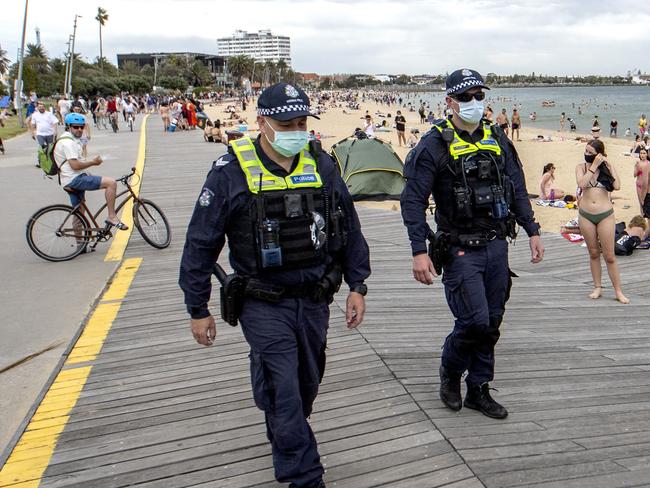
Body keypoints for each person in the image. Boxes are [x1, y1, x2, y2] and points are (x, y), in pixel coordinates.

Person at [179, 83, 370, 488]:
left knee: (306, 384)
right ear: (261, 122)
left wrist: (358, 284)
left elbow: (348, 225)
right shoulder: (229, 173)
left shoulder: (322, 164)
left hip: (316, 297)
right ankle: (305, 475)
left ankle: (279, 414)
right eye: (287, 123)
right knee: (285, 390)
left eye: (302, 122)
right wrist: (197, 308)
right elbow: (200, 244)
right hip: (263, 303)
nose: (296, 130)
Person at [400, 68, 544, 420]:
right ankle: (450, 372)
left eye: (479, 96)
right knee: (474, 321)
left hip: (497, 245)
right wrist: (419, 250)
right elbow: (413, 200)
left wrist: (532, 229)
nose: (474, 102)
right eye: (466, 97)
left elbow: (517, 186)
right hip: (460, 248)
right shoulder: (433, 145)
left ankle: (479, 388)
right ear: (449, 101)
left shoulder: (497, 139)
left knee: (492, 321)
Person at [54, 113, 128, 231]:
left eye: (81, 127)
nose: (79, 129)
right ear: (68, 126)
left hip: (68, 180)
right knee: (111, 183)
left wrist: (86, 171)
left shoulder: (68, 139)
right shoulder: (68, 143)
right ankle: (112, 216)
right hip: (75, 180)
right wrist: (93, 162)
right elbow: (75, 165)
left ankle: (80, 247)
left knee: (79, 214)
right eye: (75, 127)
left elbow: (72, 164)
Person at [575, 139, 628, 303]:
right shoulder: (581, 168)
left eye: (591, 152)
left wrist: (608, 165)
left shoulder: (606, 168)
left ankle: (618, 291)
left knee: (609, 255)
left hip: (605, 214)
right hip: (586, 214)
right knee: (593, 252)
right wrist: (593, 166)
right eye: (586, 151)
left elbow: (617, 185)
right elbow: (582, 184)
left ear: (599, 154)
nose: (587, 154)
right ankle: (597, 287)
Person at [28, 100, 58, 167]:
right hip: (40, 134)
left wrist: (55, 131)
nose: (41, 108)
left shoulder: (49, 114)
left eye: (42, 107)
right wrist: (32, 133)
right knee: (41, 147)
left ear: (44, 107)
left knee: (50, 148)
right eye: (40, 107)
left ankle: (51, 161)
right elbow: (32, 124)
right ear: (38, 108)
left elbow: (55, 122)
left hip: (49, 133)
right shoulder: (35, 115)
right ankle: (40, 162)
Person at [635, 148, 650, 220]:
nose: (642, 155)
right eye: (641, 153)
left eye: (644, 153)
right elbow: (634, 175)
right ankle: (642, 219)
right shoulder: (638, 163)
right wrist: (636, 167)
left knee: (644, 203)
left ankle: (645, 219)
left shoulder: (648, 164)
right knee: (641, 204)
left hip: (645, 186)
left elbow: (647, 179)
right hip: (638, 185)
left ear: (647, 154)